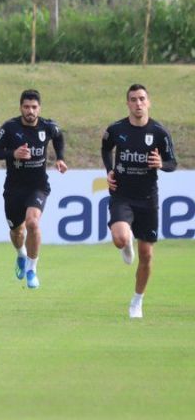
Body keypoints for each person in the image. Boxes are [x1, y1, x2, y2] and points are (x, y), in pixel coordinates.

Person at [101, 84, 176, 319]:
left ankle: (137, 301)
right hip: (122, 194)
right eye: (133, 99)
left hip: (148, 198)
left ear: (149, 102)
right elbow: (106, 148)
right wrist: (109, 170)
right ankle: (126, 243)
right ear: (128, 103)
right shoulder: (116, 129)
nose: (138, 103)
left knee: (147, 255)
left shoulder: (160, 133)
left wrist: (160, 164)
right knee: (120, 238)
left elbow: (172, 163)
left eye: (142, 99)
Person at [0, 89, 67, 289]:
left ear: (39, 108)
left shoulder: (48, 126)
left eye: (34, 107)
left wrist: (60, 157)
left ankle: (32, 269)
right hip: (14, 188)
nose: (30, 111)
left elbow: (59, 137)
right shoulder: (9, 127)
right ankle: (21, 254)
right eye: (26, 107)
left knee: (32, 223)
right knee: (16, 231)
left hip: (38, 186)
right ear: (21, 107)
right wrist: (13, 153)